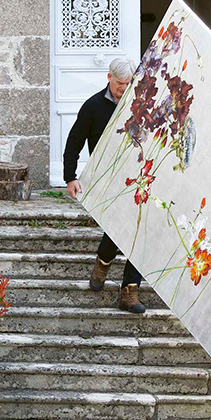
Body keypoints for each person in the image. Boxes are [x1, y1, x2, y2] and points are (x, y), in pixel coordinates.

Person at [63, 56, 145, 315]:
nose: (123, 88)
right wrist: (70, 177)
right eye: (120, 83)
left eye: (128, 83)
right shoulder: (93, 107)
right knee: (118, 228)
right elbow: (73, 143)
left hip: (140, 178)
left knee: (141, 231)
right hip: (107, 180)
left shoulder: (140, 105)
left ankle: (130, 291)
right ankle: (103, 262)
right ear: (109, 78)